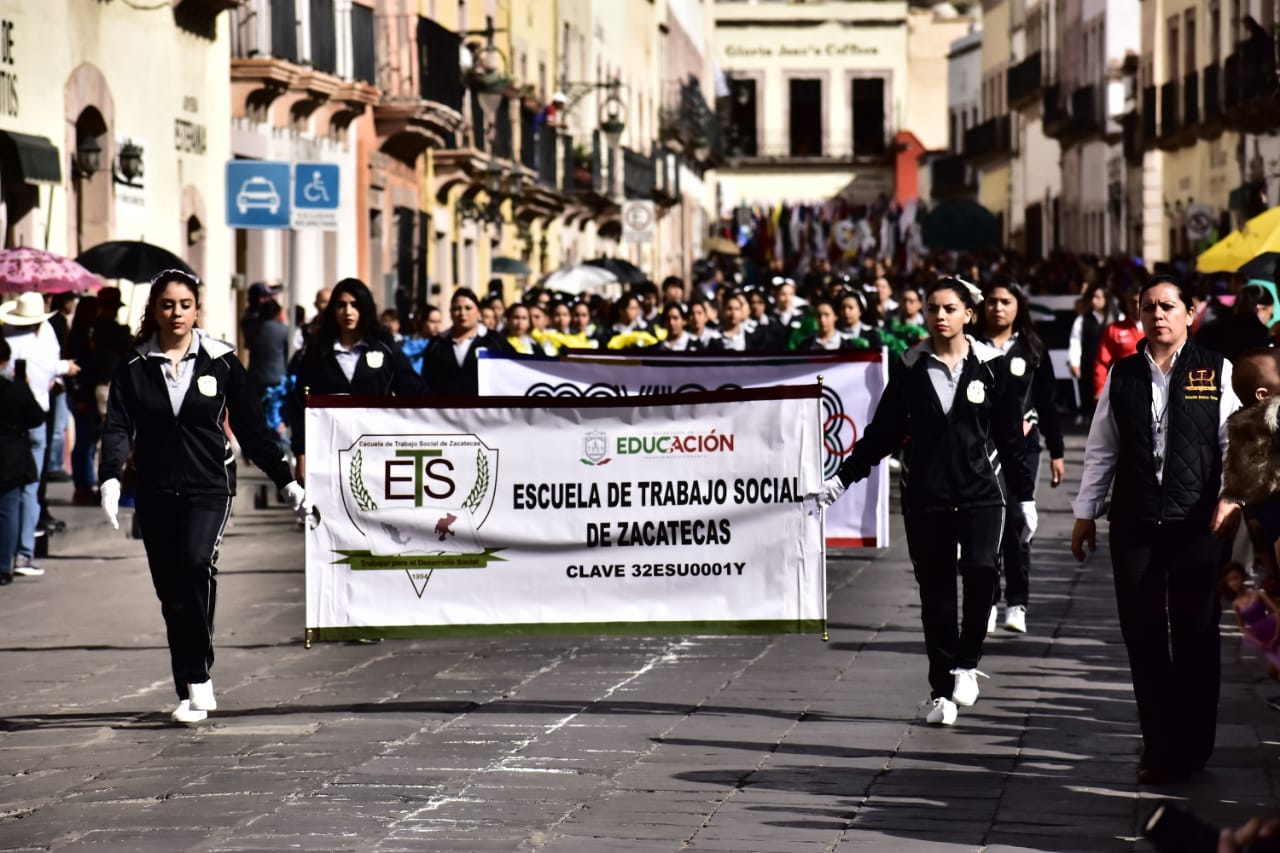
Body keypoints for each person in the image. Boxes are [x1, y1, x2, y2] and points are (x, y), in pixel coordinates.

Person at [811, 277, 1033, 726]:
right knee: (935, 597)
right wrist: (843, 479)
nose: (940, 316)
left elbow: (1011, 440)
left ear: (969, 314)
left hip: (981, 495)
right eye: (932, 308)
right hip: (926, 496)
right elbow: (883, 433)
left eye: (950, 308)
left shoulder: (991, 366)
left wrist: (1025, 498)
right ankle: (941, 692)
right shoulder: (912, 366)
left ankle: (967, 664)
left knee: (981, 574)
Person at [97, 269, 308, 724]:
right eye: (167, 305)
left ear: (197, 309)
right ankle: (187, 686)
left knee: (196, 565)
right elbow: (117, 425)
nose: (176, 313)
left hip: (210, 484)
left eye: (185, 305)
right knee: (171, 594)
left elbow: (252, 428)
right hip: (155, 489)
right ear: (154, 309)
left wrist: (285, 479)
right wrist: (111, 477)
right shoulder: (134, 365)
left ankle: (200, 678)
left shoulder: (221, 360)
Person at [1070, 275, 1242, 784]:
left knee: (1195, 633)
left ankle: (1194, 742)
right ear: (1139, 315)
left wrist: (1230, 497)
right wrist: (1085, 512)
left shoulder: (1215, 369)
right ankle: (1160, 744)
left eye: (1169, 306)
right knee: (1143, 635)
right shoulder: (1122, 376)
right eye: (1149, 307)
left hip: (1196, 523)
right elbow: (1102, 449)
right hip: (1136, 521)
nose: (1158, 315)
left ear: (1191, 313)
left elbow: (1234, 441)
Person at [976, 277, 1067, 635]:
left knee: (1017, 522)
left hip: (1022, 448)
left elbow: (1048, 403)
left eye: (1006, 302)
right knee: (983, 529)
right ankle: (985, 604)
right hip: (980, 449)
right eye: (992, 301)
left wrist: (1057, 451)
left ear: (1018, 307)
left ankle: (1017, 603)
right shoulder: (970, 346)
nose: (998, 308)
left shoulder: (1032, 348)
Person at [289, 278, 426, 483]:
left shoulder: (385, 348)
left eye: (355, 305)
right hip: (330, 453)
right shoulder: (316, 353)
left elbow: (416, 393)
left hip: (378, 453)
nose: (348, 311)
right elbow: (301, 407)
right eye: (341, 305)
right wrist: (301, 456)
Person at [0, 292, 81, 577]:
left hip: (5, 420)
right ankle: (23, 554)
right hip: (32, 421)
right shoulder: (44, 335)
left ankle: (7, 554)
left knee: (8, 494)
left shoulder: (5, 334)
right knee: (29, 490)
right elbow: (52, 368)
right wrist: (66, 370)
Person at [0, 337, 47, 585]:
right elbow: (36, 417)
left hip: (10, 455)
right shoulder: (15, 388)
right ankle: (4, 564)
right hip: (10, 456)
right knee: (8, 511)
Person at [420, 287, 513, 395]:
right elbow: (427, 382)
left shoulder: (495, 341)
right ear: (450, 312)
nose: (462, 313)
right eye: (457, 308)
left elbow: (509, 376)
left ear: (478, 312)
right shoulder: (437, 343)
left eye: (468, 308)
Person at [1069, 284, 1117, 418]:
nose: (1093, 301)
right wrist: (1074, 362)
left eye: (1098, 297)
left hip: (1114, 367)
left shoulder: (1118, 318)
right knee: (1093, 404)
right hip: (1090, 365)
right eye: (1092, 297)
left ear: (1106, 299)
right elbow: (1075, 341)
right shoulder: (1083, 320)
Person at [1092, 286, 1143, 402]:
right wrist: (1100, 389)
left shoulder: (1157, 328)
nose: (1136, 306)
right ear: (1127, 303)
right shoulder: (1114, 329)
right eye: (1133, 302)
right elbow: (1101, 362)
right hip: (1123, 389)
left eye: (1140, 302)